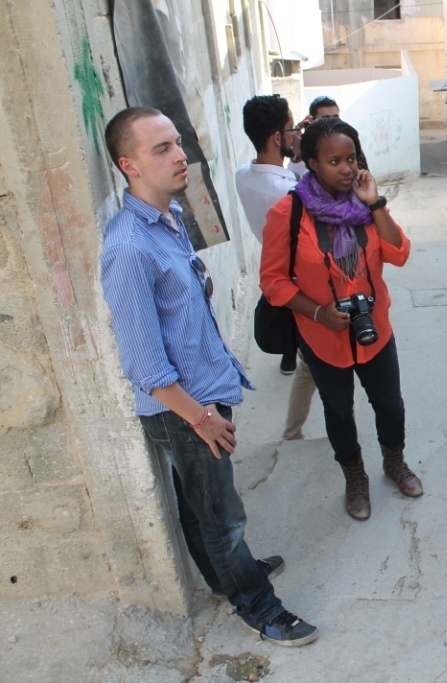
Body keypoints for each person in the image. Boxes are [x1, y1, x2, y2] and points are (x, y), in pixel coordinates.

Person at [100, 107, 318, 646]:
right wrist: (201, 418)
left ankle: (226, 577)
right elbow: (145, 366)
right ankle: (261, 609)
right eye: (162, 149)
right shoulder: (128, 247)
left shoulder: (167, 216)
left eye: (177, 144)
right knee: (223, 517)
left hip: (200, 397)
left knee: (201, 508)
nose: (180, 156)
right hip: (184, 411)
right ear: (127, 164)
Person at [260, 117, 421, 521]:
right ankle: (355, 477)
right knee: (338, 411)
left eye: (351, 159)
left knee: (391, 406)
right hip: (322, 335)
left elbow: (399, 254)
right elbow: (274, 280)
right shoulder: (289, 212)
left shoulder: (366, 206)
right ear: (311, 162)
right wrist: (317, 312)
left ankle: (394, 462)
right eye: (335, 161)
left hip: (375, 328)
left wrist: (376, 203)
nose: (347, 169)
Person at [235, 94, 318, 440]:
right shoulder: (288, 191)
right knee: (319, 362)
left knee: (308, 361)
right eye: (290, 129)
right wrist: (305, 155)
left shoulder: (243, 176)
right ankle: (296, 431)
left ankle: (294, 430)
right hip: (301, 279)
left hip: (274, 266)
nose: (295, 134)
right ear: (276, 138)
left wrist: (295, 152)